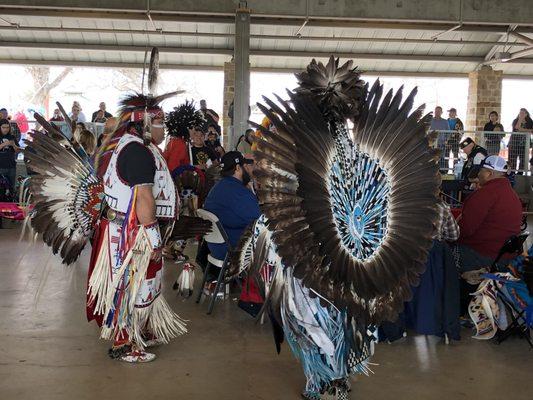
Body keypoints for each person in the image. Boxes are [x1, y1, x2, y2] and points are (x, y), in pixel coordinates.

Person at [456, 155, 522, 273]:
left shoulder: (485, 194)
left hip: (483, 256)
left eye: (481, 171)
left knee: (439, 253)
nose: (478, 174)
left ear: (489, 174)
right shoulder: (512, 194)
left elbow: (463, 230)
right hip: (505, 257)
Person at [203, 151, 260, 280]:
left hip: (214, 246)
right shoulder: (238, 193)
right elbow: (260, 220)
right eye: (245, 167)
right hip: (231, 249)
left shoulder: (218, 187)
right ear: (238, 168)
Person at [0, 119, 20, 197]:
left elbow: (18, 151)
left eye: (7, 127)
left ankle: (11, 204)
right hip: (1, 167)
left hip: (11, 167)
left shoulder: (12, 137)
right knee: (1, 189)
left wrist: (13, 145)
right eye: (3, 127)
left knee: (11, 188)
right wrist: (4, 144)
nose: (5, 129)